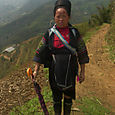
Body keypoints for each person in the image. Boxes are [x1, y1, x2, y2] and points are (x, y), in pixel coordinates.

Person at [33, 0, 89, 115]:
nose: (61, 19)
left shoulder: (74, 33)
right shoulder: (49, 34)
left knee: (68, 97)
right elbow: (40, 51)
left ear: (69, 17)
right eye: (58, 16)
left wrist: (82, 72)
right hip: (55, 71)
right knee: (56, 98)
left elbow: (82, 52)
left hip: (70, 71)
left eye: (64, 16)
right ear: (54, 17)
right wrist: (35, 70)